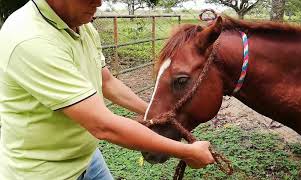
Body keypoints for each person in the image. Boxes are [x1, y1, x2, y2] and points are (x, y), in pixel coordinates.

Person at [0, 0, 214, 179]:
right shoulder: (31, 39)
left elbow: (107, 81)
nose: (100, 2)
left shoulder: (82, 26)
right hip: (45, 172)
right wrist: (187, 152)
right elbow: (103, 125)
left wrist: (156, 115)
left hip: (88, 159)